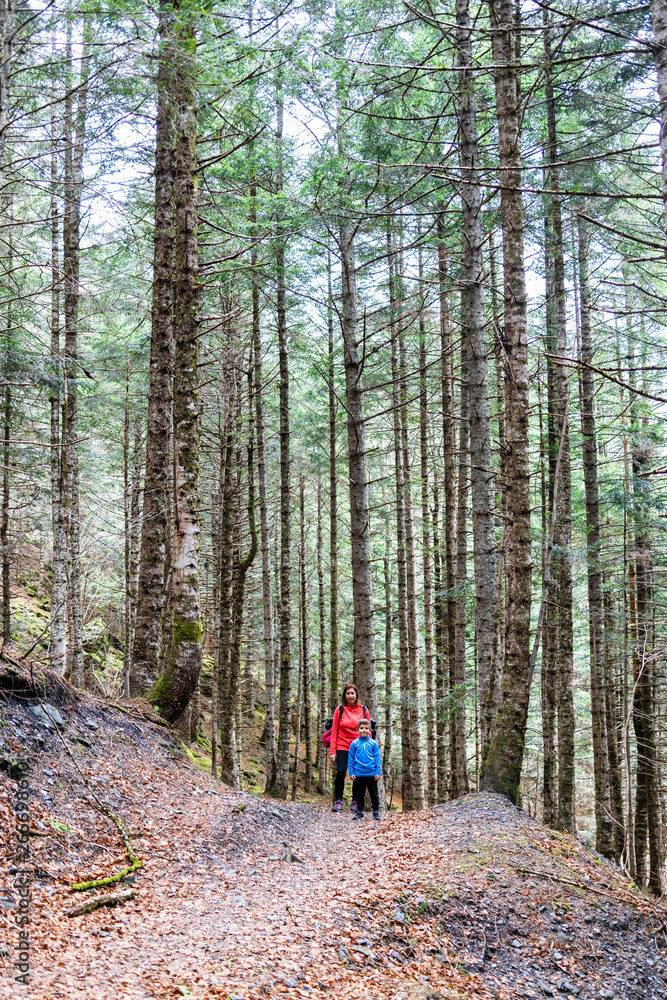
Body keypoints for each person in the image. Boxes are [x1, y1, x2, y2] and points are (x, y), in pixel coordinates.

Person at [329, 682, 371, 813]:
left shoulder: (363, 710)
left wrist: (369, 748)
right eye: (348, 693)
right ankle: (338, 801)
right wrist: (332, 751)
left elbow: (368, 730)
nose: (350, 696)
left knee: (357, 774)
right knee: (341, 772)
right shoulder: (340, 710)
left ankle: (355, 802)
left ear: (356, 695)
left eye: (352, 693)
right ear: (345, 695)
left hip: (359, 746)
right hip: (342, 745)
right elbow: (334, 730)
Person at [348, 718, 381, 821]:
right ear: (357, 730)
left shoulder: (373, 743)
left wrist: (378, 772)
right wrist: (351, 772)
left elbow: (377, 758)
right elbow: (351, 759)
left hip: (372, 774)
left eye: (366, 728)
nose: (364, 730)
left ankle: (376, 811)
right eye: (361, 728)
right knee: (359, 794)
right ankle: (359, 812)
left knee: (374, 794)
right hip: (358, 774)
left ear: (370, 730)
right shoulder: (354, 744)